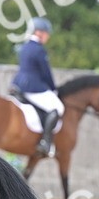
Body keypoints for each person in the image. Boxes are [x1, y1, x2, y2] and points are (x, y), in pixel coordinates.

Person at [11, 17, 64, 157]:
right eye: (46, 33)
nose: (48, 36)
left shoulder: (23, 47)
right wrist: (53, 88)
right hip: (33, 87)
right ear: (39, 33)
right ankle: (46, 142)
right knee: (58, 108)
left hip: (18, 84)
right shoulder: (39, 50)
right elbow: (45, 73)